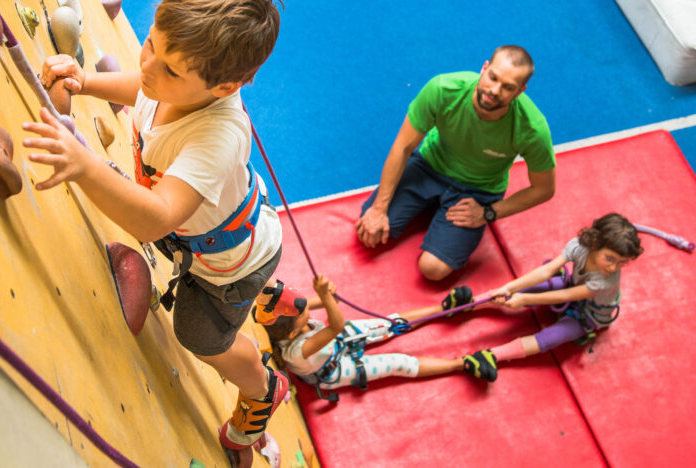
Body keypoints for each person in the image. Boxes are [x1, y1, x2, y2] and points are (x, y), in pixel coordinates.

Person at [22, 0, 287, 463]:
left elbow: (155, 220)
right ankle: (274, 295)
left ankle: (261, 387)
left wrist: (85, 166)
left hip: (227, 269)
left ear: (225, 85)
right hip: (207, 230)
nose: (147, 66)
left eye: (169, 69)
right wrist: (86, 82)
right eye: (148, 45)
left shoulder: (218, 135)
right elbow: (142, 91)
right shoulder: (175, 81)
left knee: (198, 334)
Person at [356, 45, 556, 281]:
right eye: (493, 77)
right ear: (484, 68)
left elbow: (544, 189)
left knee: (433, 269)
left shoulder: (532, 129)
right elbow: (403, 147)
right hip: (428, 166)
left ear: (520, 91)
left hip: (478, 190)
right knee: (368, 232)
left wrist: (489, 213)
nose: (494, 90)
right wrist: (378, 209)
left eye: (508, 87)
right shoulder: (443, 89)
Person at [461, 213, 644, 381]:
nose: (613, 268)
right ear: (595, 244)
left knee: (551, 337)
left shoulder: (605, 281)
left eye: (622, 262)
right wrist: (509, 288)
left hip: (589, 315)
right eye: (610, 258)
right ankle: (472, 303)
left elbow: (564, 295)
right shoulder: (580, 245)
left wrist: (523, 300)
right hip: (572, 287)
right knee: (531, 287)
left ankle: (492, 356)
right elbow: (548, 270)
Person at [257, 276, 476, 392]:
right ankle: (460, 363)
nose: (306, 307)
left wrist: (328, 294)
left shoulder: (284, 318)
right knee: (399, 363)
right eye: (303, 310)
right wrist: (324, 295)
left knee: (389, 324)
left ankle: (444, 309)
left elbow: (327, 304)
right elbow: (335, 327)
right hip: (334, 369)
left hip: (335, 341)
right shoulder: (296, 352)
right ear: (294, 330)